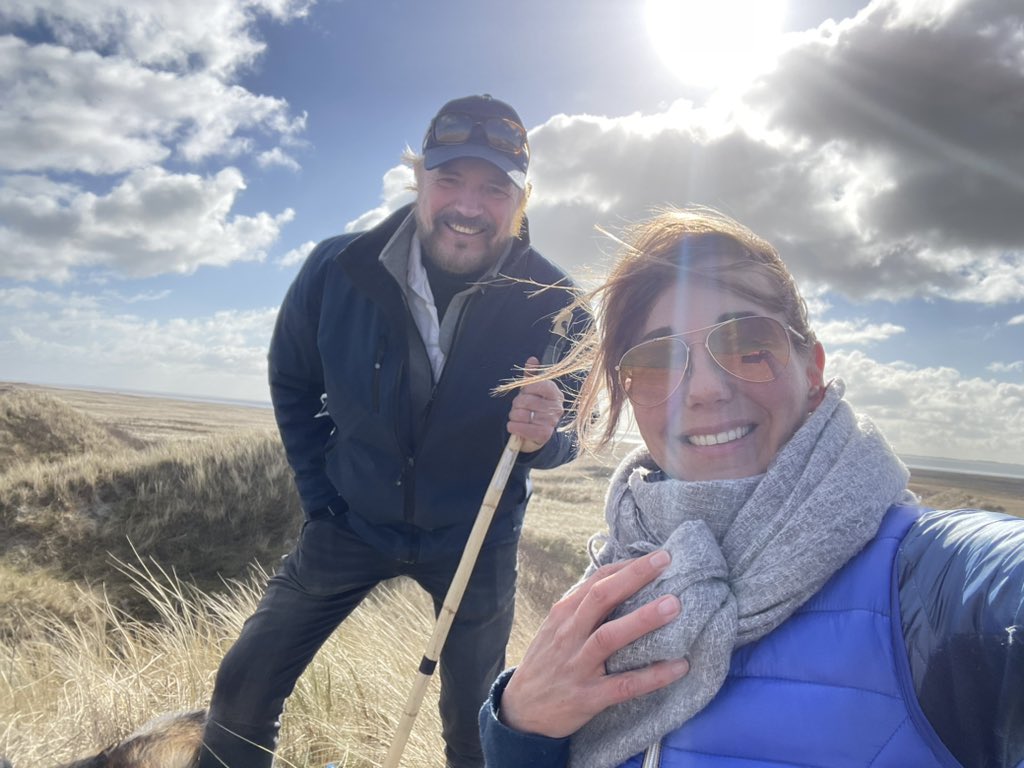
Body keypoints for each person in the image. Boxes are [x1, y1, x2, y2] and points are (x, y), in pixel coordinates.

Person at [479, 206, 1024, 768]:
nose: (706, 389)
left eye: (748, 346)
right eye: (659, 363)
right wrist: (519, 727)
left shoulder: (929, 585)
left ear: (811, 370)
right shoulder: (618, 573)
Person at [197, 94, 586, 768]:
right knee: (242, 689)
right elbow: (293, 381)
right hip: (349, 523)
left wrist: (548, 432)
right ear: (419, 180)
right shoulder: (336, 269)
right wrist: (322, 496)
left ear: (520, 199)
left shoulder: (558, 305)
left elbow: (569, 431)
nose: (469, 204)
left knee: (475, 732)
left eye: (494, 187)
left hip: (475, 535)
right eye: (450, 180)